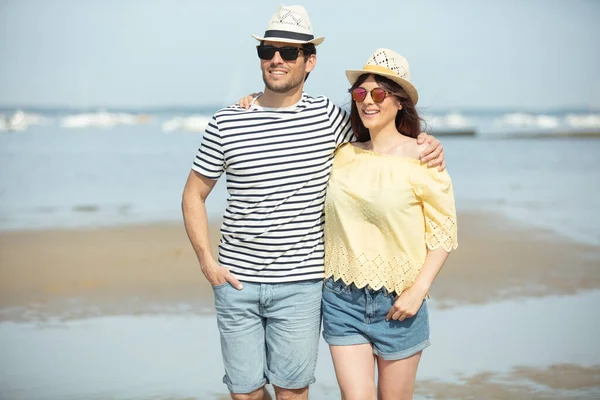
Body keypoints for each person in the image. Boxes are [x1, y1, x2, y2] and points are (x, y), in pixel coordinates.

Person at [182, 6, 446, 400]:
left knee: (292, 393)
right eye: (268, 50)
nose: (276, 59)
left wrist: (429, 143)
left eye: (289, 53)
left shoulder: (330, 118)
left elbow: (381, 134)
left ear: (310, 61)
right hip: (236, 282)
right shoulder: (227, 121)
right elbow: (193, 194)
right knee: (245, 393)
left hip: (302, 285)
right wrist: (206, 260)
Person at [321, 48, 458, 400]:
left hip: (399, 304)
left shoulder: (424, 159)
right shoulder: (342, 153)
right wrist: (255, 102)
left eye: (379, 93)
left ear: (399, 102)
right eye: (360, 93)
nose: (368, 101)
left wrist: (417, 291)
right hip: (341, 298)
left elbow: (443, 234)